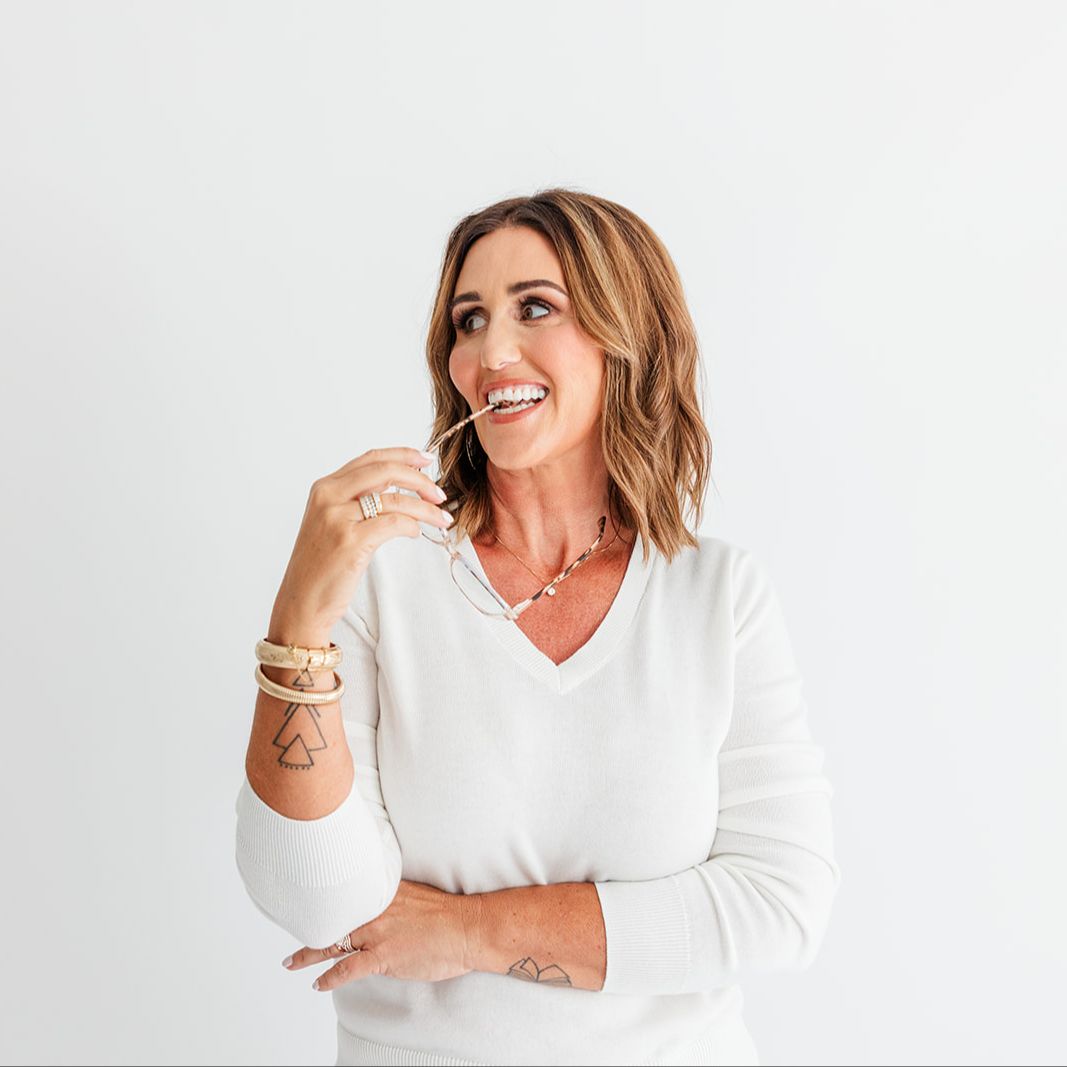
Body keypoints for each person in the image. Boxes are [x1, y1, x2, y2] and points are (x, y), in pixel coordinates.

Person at [234, 188, 841, 1067]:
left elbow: (781, 905)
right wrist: (297, 620)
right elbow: (318, 900)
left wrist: (466, 930)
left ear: (624, 336)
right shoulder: (383, 579)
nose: (490, 352)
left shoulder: (717, 595)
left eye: (535, 308)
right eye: (468, 320)